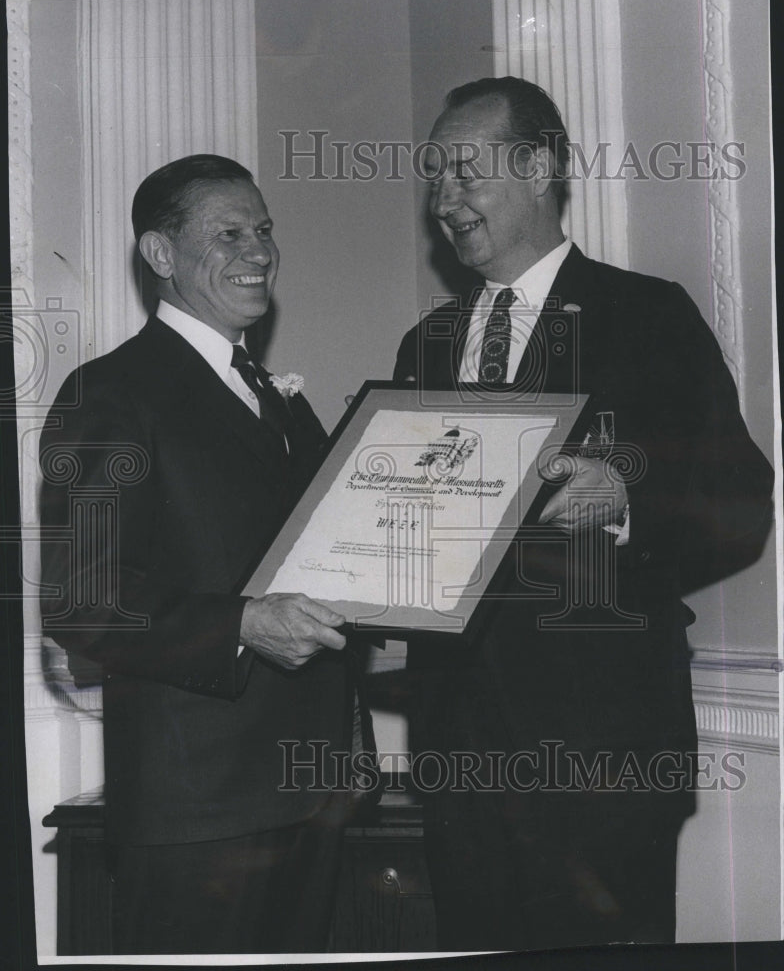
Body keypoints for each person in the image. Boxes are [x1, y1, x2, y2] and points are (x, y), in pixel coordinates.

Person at [393, 77, 774, 951]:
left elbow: (739, 497)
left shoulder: (648, 314)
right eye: (435, 177)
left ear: (537, 169)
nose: (444, 200)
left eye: (464, 172)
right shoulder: (426, 346)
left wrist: (628, 497)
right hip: (460, 754)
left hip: (604, 752)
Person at [39, 154, 366, 955]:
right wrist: (243, 625)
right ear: (160, 253)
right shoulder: (110, 393)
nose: (259, 252)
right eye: (229, 234)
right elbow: (83, 600)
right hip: (197, 813)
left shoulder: (277, 398)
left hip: (310, 792)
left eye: (264, 231)